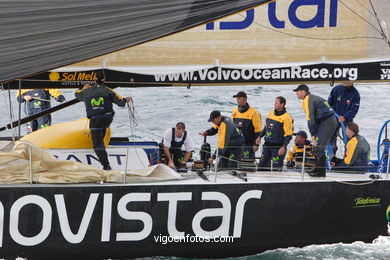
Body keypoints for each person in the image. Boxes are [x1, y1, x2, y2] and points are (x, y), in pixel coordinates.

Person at [75, 71, 132, 170]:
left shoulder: (87, 91)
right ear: (104, 80)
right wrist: (126, 99)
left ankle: (106, 165)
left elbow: (77, 95)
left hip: (96, 119)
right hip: (107, 119)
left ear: (94, 80)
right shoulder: (108, 90)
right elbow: (120, 102)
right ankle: (103, 152)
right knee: (101, 133)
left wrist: (83, 88)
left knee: (97, 144)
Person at [294, 84, 337, 177]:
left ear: (303, 91)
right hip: (328, 121)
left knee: (319, 146)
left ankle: (320, 172)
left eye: (297, 91)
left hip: (327, 122)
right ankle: (318, 169)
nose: (296, 93)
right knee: (317, 146)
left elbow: (310, 118)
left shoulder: (307, 100)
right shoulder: (313, 98)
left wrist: (313, 134)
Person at [256, 96, 293, 171]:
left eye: (276, 103)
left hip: (278, 147)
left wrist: (283, 147)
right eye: (274, 103)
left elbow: (288, 135)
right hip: (267, 145)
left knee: (276, 169)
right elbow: (266, 128)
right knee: (261, 167)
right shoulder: (270, 113)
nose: (274, 104)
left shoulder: (287, 118)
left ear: (282, 104)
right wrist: (259, 137)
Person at [328, 82, 360, 154]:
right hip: (334, 118)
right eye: (343, 81)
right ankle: (331, 157)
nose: (345, 83)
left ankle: (349, 156)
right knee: (330, 138)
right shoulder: (336, 89)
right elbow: (328, 103)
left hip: (347, 121)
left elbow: (354, 109)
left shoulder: (355, 94)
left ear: (352, 82)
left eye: (347, 81)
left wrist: (345, 117)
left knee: (349, 139)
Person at [231, 91, 262, 159]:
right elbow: (232, 127)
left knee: (246, 164)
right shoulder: (235, 111)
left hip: (249, 144)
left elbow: (258, 130)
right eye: (237, 98)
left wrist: (256, 144)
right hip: (237, 143)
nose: (237, 100)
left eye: (239, 98)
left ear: (245, 99)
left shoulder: (254, 113)